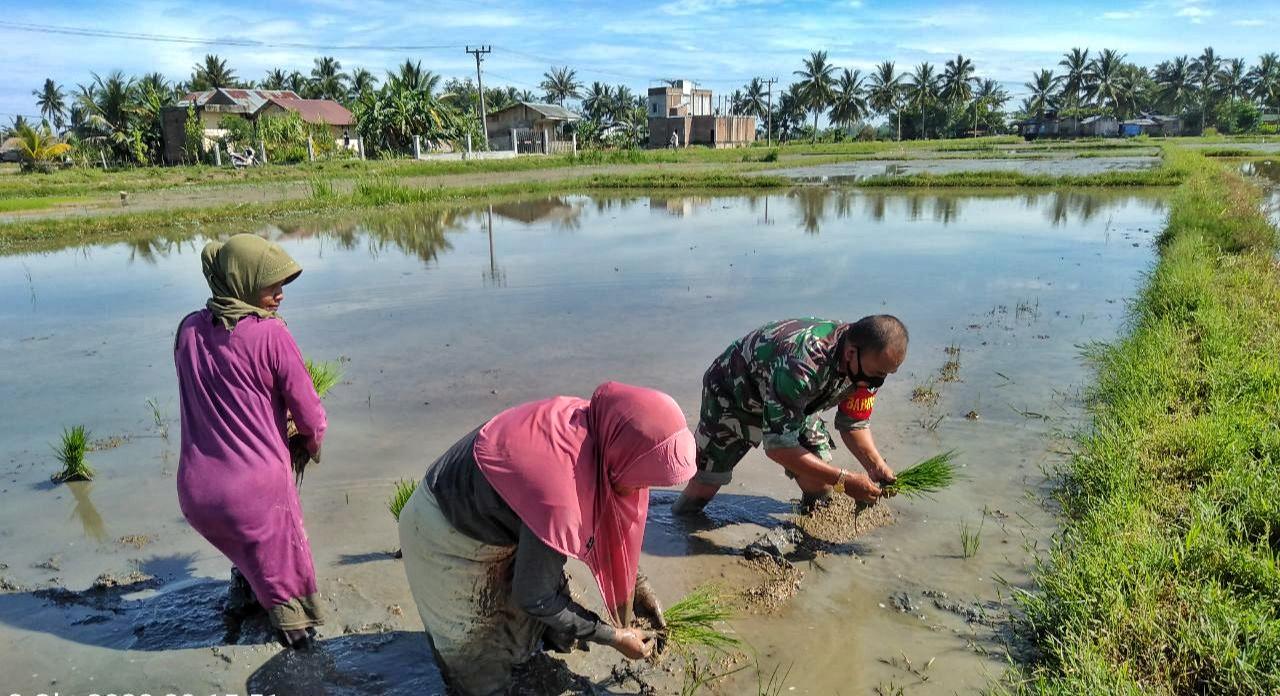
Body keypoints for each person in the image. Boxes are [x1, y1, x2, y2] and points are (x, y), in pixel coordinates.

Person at [398, 382, 695, 695]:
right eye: (642, 479)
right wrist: (613, 637)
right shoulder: (562, 491)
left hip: (502, 517)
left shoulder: (607, 431)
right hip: (443, 533)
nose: (640, 490)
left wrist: (637, 586)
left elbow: (611, 520)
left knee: (538, 626)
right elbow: (535, 595)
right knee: (480, 673)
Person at [174, 234, 327, 650]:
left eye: (283, 285)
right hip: (254, 492)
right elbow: (310, 413)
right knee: (290, 597)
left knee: (246, 550)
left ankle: (241, 601)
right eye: (270, 285)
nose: (279, 295)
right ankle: (300, 648)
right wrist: (311, 445)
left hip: (195, 494)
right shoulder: (270, 334)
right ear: (241, 281)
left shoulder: (187, 330)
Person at [673, 315, 908, 515]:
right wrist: (844, 481)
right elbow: (778, 448)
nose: (878, 381)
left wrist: (875, 465)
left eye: (887, 374)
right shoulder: (803, 364)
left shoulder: (868, 368)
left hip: (796, 402)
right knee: (704, 486)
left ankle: (808, 530)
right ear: (850, 353)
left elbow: (853, 423)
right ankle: (673, 532)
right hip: (733, 395)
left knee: (820, 482)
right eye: (877, 373)